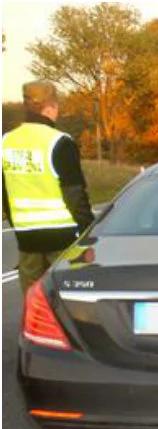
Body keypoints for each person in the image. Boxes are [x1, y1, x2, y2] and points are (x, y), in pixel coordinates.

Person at [2, 80, 95, 292]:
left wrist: (19, 229)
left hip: (27, 239)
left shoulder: (6, 141)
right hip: (64, 240)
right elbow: (75, 197)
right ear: (51, 106)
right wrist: (88, 235)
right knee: (72, 299)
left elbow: (5, 194)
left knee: (34, 303)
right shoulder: (60, 142)